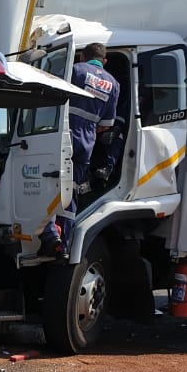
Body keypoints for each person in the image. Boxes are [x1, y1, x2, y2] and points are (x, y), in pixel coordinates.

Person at [44, 42, 120, 258]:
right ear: (104, 61)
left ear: (82, 57)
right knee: (72, 189)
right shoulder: (113, 84)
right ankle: (64, 243)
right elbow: (106, 124)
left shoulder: (75, 70)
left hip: (65, 133)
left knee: (51, 182)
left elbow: (53, 101)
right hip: (87, 141)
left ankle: (50, 236)